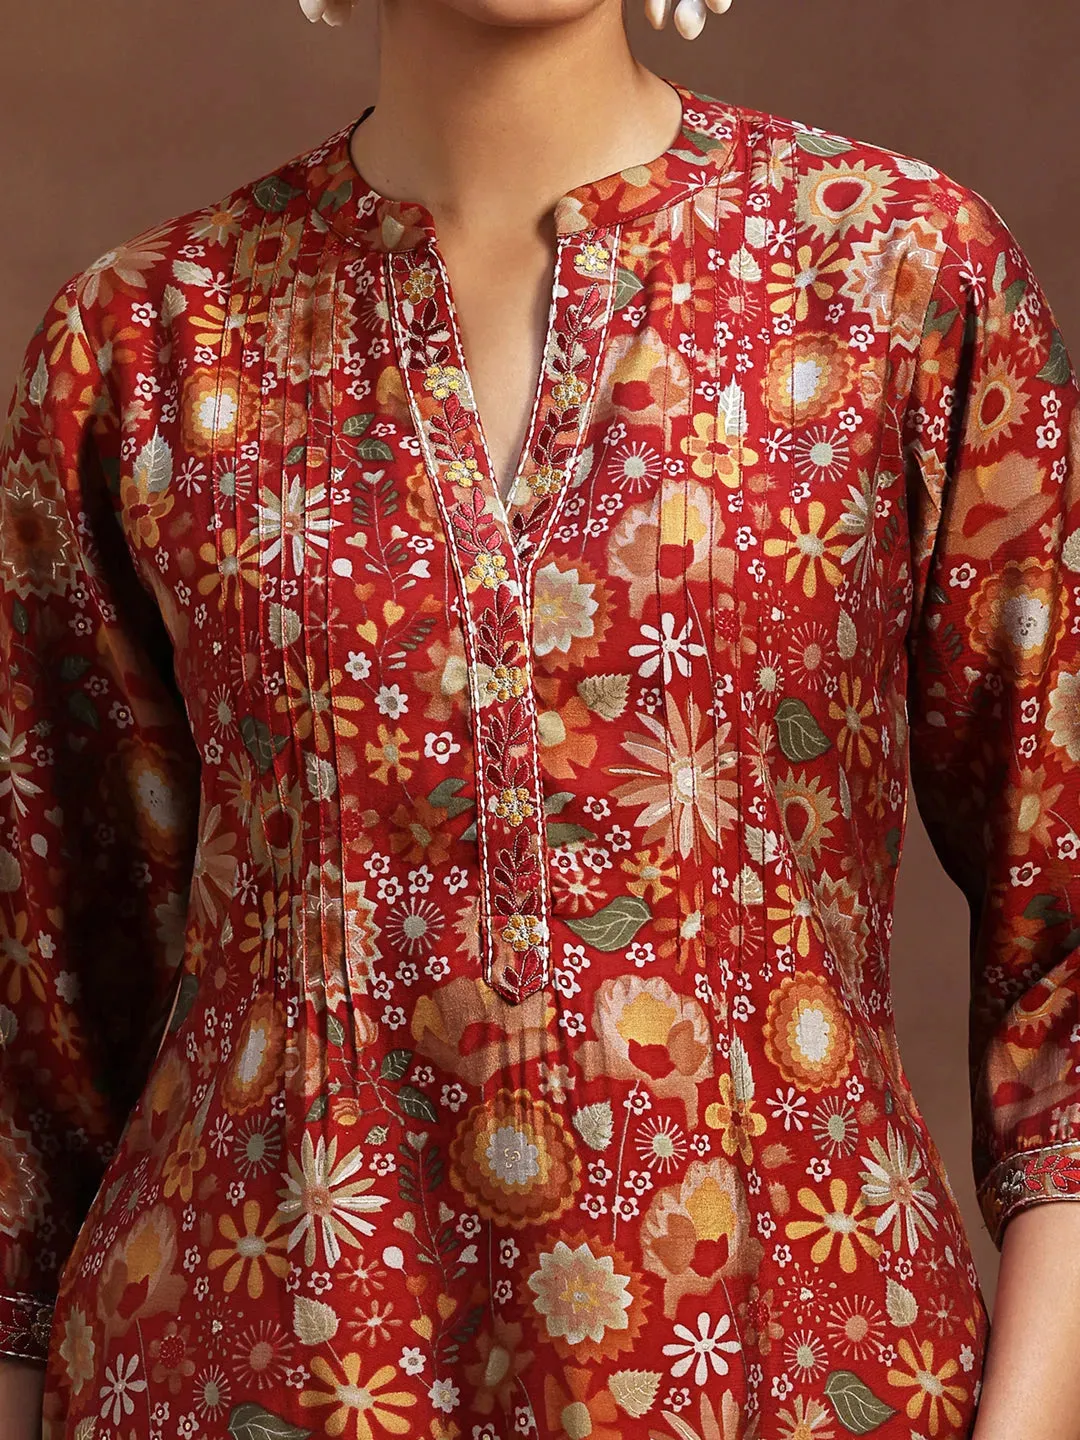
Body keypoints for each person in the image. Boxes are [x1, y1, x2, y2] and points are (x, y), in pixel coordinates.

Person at [2, 0, 1080, 1433]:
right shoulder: (147, 343)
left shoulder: (893, 273)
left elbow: (1064, 940)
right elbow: (37, 1049)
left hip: (788, 1380)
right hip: (248, 1372)